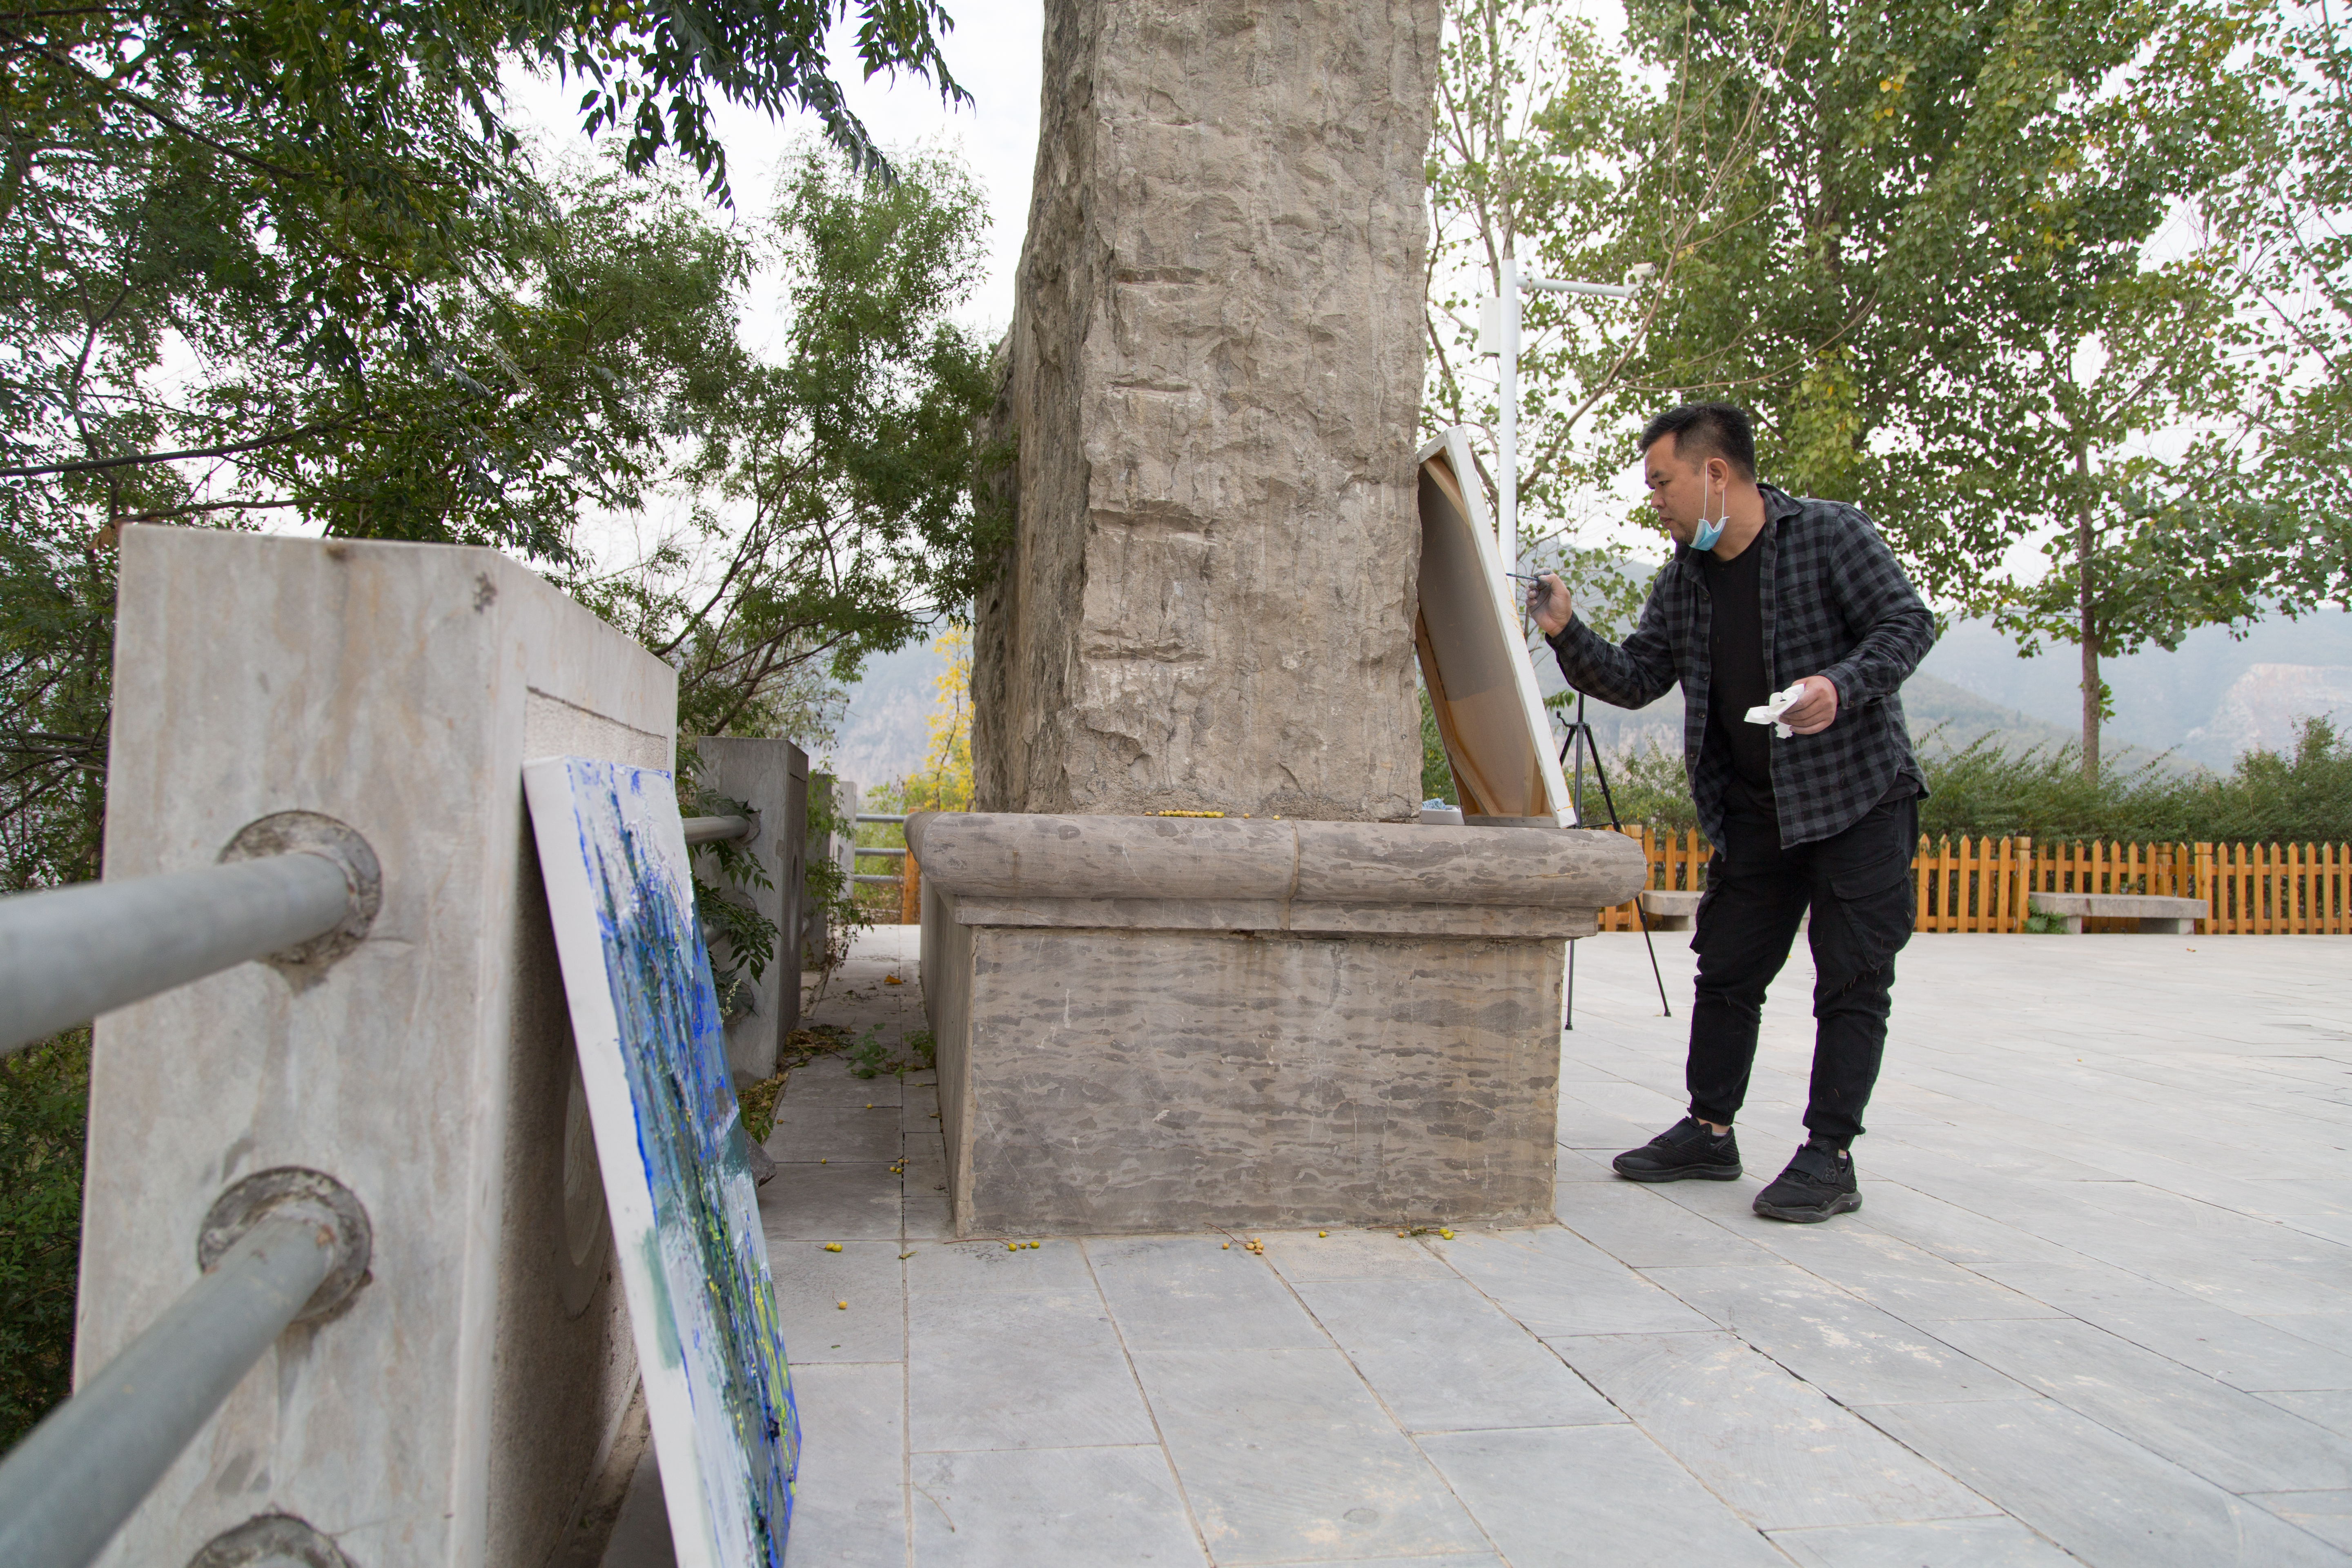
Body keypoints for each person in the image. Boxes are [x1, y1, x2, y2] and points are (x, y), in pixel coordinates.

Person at [1529, 402, 1936, 1222]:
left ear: (1715, 473)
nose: (1657, 501)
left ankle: (1830, 1156)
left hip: (1857, 799)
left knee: (1852, 982)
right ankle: (1711, 1132)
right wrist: (1567, 632)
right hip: (1755, 813)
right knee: (1726, 973)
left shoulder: (1829, 536)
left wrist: (1838, 686)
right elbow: (1639, 677)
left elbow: (1908, 623)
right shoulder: (1684, 578)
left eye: (1662, 481)